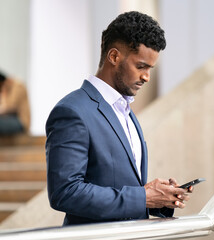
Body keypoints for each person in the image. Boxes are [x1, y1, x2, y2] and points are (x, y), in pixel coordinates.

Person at [46, 11, 192, 226]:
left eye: (150, 68)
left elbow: (123, 186)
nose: (146, 77)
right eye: (141, 66)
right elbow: (65, 192)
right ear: (114, 57)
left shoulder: (125, 110)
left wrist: (159, 198)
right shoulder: (72, 111)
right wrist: (144, 196)